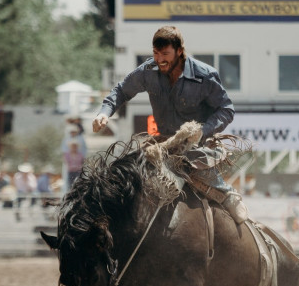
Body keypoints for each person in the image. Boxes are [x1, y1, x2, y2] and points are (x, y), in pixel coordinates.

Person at [91, 25, 247, 223]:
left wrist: (202, 131)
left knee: (201, 168)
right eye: (156, 53)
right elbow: (121, 90)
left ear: (179, 51)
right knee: (127, 175)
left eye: (165, 53)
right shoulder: (148, 71)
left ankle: (229, 196)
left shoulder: (205, 76)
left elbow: (226, 110)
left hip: (197, 146)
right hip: (161, 145)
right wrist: (104, 113)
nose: (159, 59)